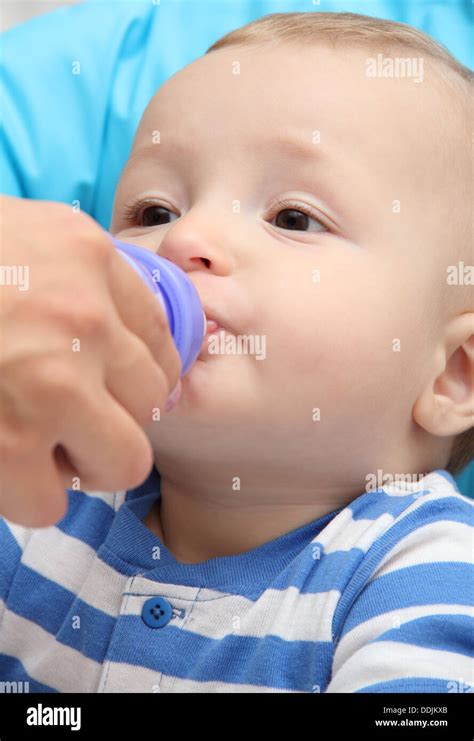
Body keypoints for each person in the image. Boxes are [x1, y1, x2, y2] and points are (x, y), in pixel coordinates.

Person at [0, 12, 472, 693]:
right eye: (153, 212)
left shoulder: (421, 572)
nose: (187, 237)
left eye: (293, 218)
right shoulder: (46, 493)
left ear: (455, 374)